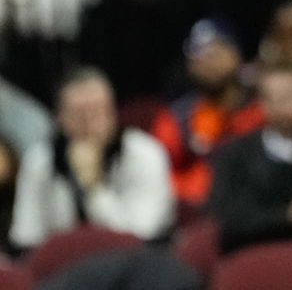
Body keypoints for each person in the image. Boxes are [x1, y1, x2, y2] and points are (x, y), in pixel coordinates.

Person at [9, 67, 174, 249]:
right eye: (78, 114)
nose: (88, 122)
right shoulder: (40, 161)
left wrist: (94, 189)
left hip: (134, 265)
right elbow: (26, 237)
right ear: (60, 118)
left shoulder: (146, 155)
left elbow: (140, 235)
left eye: (97, 111)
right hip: (63, 268)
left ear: (113, 114)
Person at [150, 18, 265, 211]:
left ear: (237, 54)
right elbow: (158, 173)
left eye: (217, 51)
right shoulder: (177, 116)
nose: (209, 60)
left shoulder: (261, 109)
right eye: (199, 54)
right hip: (195, 211)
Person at [207, 61, 292, 252]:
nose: (282, 105)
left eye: (290, 95)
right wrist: (286, 216)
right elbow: (227, 219)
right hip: (256, 251)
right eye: (273, 98)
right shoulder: (235, 154)